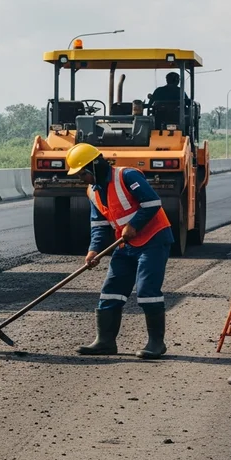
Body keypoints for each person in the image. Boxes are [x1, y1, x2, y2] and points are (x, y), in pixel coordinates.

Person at [65, 143, 174, 360]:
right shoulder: (93, 191)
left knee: (146, 291)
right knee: (111, 290)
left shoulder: (127, 176)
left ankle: (156, 343)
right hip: (125, 246)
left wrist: (134, 224)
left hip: (153, 240)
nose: (81, 179)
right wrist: (93, 250)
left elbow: (152, 202)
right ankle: (105, 341)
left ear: (95, 165)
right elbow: (98, 224)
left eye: (83, 173)